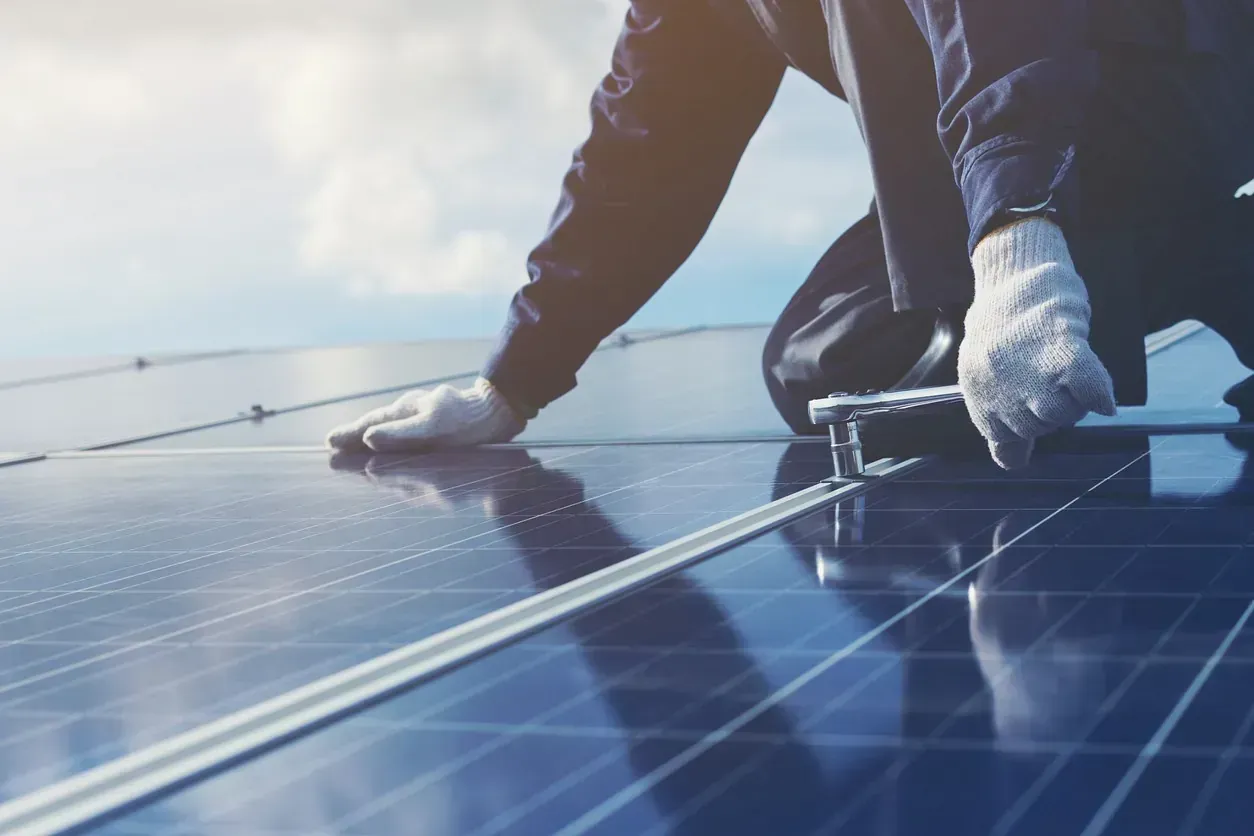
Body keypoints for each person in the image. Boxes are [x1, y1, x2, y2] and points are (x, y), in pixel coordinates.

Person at [326, 0, 1254, 470]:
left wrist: (1017, 241)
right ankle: (1221, 254)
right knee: (822, 368)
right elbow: (650, 141)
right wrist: (512, 382)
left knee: (985, 355)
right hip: (1012, 142)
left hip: (1159, 77)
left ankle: (1155, 255)